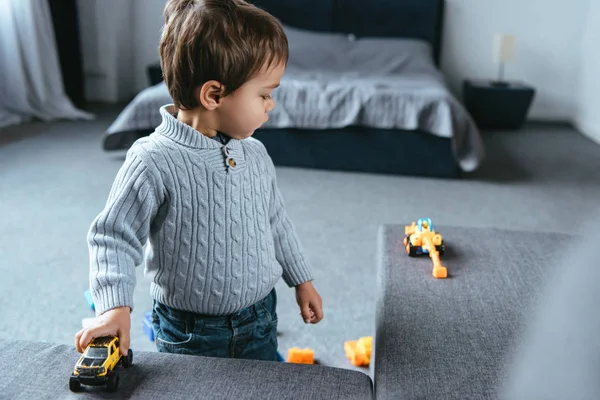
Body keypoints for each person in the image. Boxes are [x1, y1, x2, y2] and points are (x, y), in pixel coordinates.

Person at [74, 0, 323, 361]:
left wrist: (302, 279)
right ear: (213, 95)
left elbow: (276, 223)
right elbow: (113, 235)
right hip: (190, 332)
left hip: (259, 319)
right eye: (264, 94)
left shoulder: (254, 154)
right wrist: (114, 308)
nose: (271, 105)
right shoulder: (153, 159)